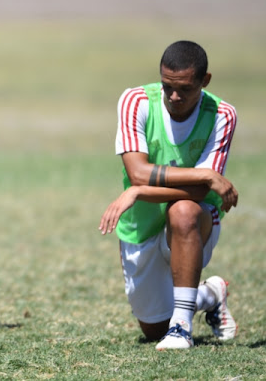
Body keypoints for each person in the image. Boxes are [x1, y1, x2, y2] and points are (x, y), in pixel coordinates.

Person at [98, 40, 238, 350]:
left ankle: (182, 328)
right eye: (167, 86)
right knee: (152, 329)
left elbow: (202, 192)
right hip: (141, 223)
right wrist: (204, 173)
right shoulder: (136, 101)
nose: (174, 96)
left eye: (185, 89)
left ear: (205, 81)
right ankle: (210, 295)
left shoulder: (222, 114)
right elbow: (137, 172)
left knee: (184, 209)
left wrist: (140, 190)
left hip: (195, 220)